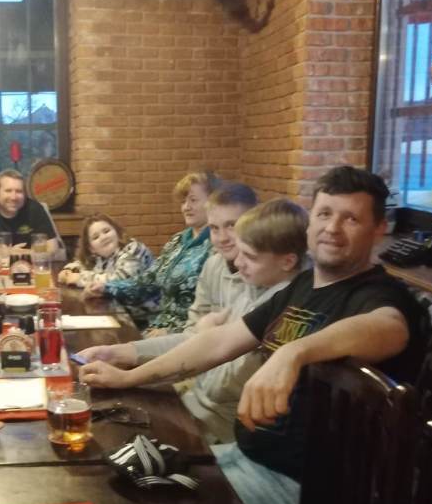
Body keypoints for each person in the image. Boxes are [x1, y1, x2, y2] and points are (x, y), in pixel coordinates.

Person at [80, 166, 427, 504]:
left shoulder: (379, 294)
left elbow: (389, 328)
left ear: (379, 228)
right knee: (118, 486)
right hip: (245, 457)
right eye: (325, 214)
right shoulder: (303, 287)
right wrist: (128, 376)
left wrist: (294, 352)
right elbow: (218, 342)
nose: (333, 228)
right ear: (311, 220)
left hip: (305, 494)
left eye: (351, 218)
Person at [131, 198, 308, 444]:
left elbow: (221, 376)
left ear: (287, 261)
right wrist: (128, 353)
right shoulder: (256, 280)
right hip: (198, 404)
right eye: (214, 228)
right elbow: (199, 340)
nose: (238, 262)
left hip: (225, 429)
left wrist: (204, 337)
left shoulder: (285, 302)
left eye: (249, 256)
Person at [86, 171, 215, 333]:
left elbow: (214, 311)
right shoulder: (177, 240)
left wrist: (172, 332)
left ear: (212, 202)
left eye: (193, 200)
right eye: (183, 201)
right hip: (156, 326)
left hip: (185, 335)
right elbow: (148, 281)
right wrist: (106, 287)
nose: (186, 207)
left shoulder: (216, 246)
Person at [184, 183, 258, 329]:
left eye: (231, 226)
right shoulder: (212, 266)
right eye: (214, 228)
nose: (222, 238)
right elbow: (192, 326)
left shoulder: (265, 273)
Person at [58, 213, 154, 290]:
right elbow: (81, 263)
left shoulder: (134, 249)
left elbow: (120, 280)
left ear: (117, 232)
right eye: (96, 237)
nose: (103, 238)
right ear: (91, 248)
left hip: (146, 308)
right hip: (120, 306)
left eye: (106, 231)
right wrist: (68, 271)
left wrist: (80, 279)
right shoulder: (102, 257)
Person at [0, 169, 57, 250]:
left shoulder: (35, 209)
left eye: (19, 191)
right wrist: (4, 253)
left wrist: (20, 254)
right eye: (8, 191)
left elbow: (53, 247)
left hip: (29, 262)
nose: (14, 197)